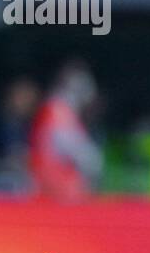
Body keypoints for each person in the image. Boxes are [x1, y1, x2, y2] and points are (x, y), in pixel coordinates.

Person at [28, 60, 102, 202]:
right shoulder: (58, 109)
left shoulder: (66, 110)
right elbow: (69, 147)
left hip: (60, 180)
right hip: (54, 182)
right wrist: (92, 160)